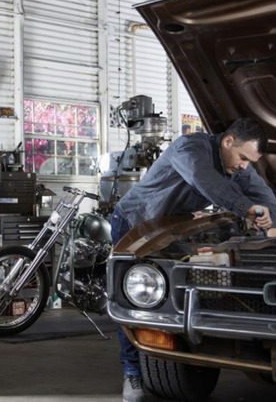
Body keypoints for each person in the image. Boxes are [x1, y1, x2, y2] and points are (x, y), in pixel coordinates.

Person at [111, 117, 276, 402]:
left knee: (173, 297)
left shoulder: (237, 164)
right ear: (227, 141)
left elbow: (262, 193)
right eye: (243, 158)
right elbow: (205, 180)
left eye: (250, 162)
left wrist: (271, 217)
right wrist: (246, 208)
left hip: (175, 227)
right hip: (136, 223)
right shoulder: (188, 148)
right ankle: (133, 373)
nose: (244, 166)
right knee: (136, 298)